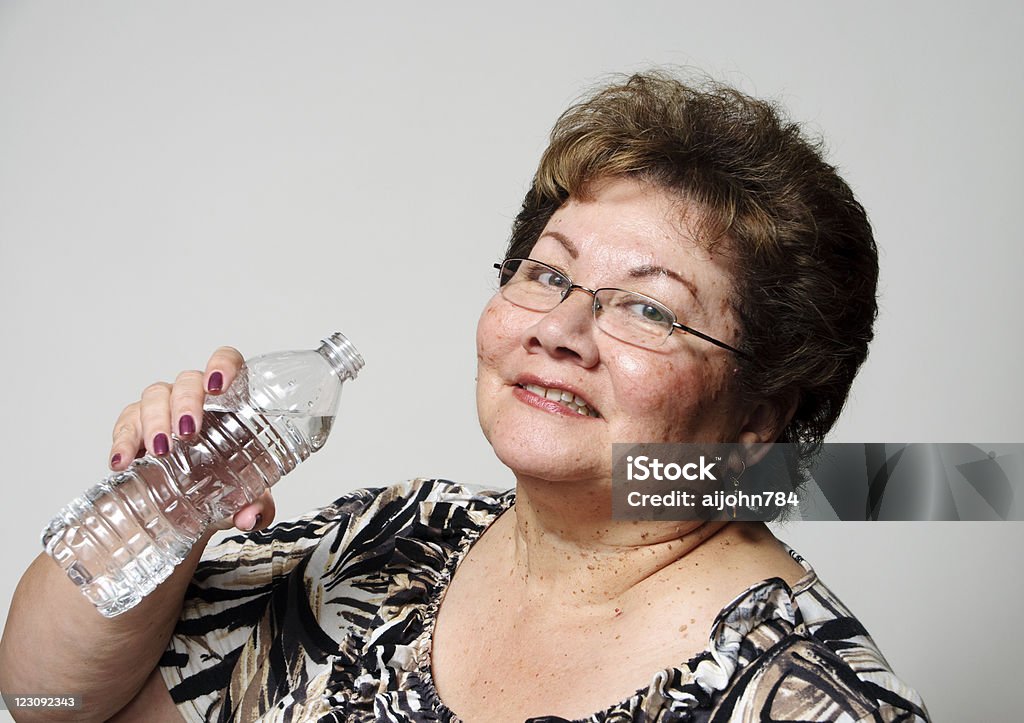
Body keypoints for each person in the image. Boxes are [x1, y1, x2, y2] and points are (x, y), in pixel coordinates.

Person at [0, 71, 929, 722]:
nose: (559, 328)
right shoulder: (394, 539)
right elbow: (45, 697)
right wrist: (163, 513)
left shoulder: (810, 696)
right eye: (547, 274)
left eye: (649, 308)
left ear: (762, 413)